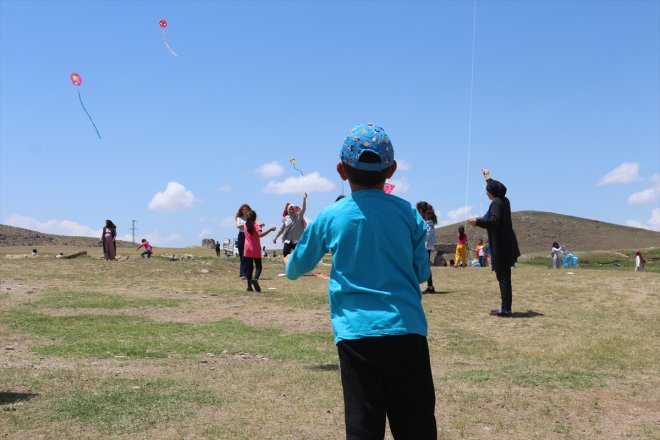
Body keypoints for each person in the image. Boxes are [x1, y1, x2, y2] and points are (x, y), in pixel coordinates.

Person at [284, 123, 436, 439]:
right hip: (407, 330)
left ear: (341, 170)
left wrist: (289, 261)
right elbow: (422, 273)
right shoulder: (409, 213)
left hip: (356, 336)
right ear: (391, 170)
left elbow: (296, 267)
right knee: (416, 425)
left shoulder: (331, 215)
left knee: (363, 424)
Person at [468, 168, 520, 317]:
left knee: (503, 277)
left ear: (492, 193)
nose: (486, 193)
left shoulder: (497, 203)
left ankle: (506, 309)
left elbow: (494, 221)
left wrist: (477, 221)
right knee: (504, 276)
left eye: (487, 190)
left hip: (501, 245)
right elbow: (495, 186)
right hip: (507, 243)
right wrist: (487, 177)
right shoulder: (504, 199)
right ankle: (505, 307)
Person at [243, 209, 276, 292]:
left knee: (249, 269)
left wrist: (260, 226)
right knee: (258, 267)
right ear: (254, 217)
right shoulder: (256, 225)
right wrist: (270, 229)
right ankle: (255, 279)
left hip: (247, 249)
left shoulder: (245, 225)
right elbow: (260, 235)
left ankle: (249, 287)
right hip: (255, 248)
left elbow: (252, 230)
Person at [273, 193, 308, 258]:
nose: (291, 210)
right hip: (288, 240)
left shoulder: (299, 216)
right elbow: (282, 229)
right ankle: (288, 267)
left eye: (292, 209)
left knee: (298, 256)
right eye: (289, 209)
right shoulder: (286, 218)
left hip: (297, 240)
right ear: (287, 210)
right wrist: (276, 237)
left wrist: (304, 199)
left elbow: (303, 209)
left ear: (295, 210)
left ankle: (297, 267)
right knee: (285, 253)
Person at [417, 201, 437, 293]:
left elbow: (427, 235)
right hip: (427, 246)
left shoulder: (428, 222)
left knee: (425, 266)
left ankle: (430, 286)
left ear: (421, 210)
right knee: (425, 266)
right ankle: (430, 286)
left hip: (426, 247)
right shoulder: (429, 222)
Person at [235, 204, 251, 279]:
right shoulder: (239, 218)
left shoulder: (250, 218)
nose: (245, 211)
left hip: (249, 236)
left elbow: (255, 224)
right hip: (241, 235)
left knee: (247, 255)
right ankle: (242, 273)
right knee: (242, 255)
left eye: (246, 209)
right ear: (241, 210)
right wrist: (247, 224)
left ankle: (245, 273)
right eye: (243, 209)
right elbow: (238, 225)